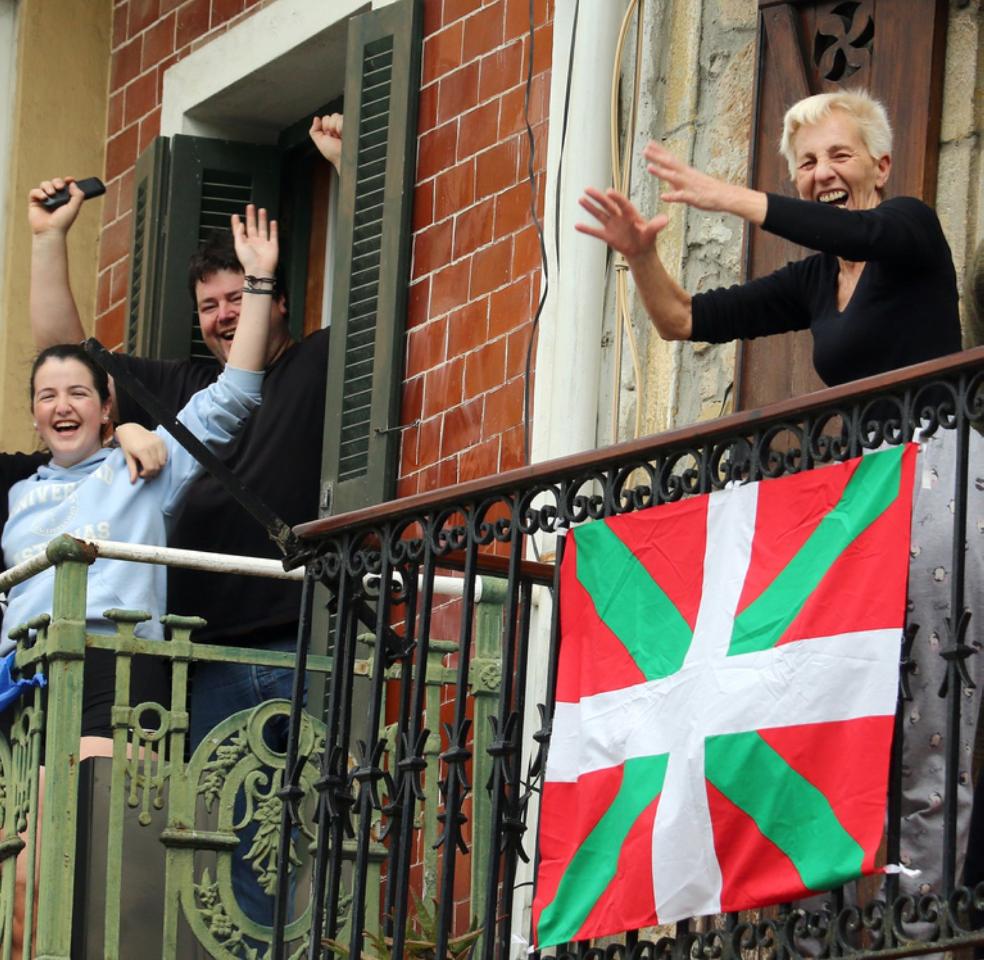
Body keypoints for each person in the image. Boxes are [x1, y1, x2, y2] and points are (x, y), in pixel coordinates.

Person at [578, 89, 981, 915]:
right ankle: (852, 894)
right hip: (866, 498)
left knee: (941, 685)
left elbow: (860, 232)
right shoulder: (811, 280)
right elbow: (684, 321)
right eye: (806, 161)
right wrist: (639, 256)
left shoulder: (911, 230)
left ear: (880, 164)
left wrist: (732, 198)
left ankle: (935, 898)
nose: (822, 173)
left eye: (839, 155)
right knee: (856, 688)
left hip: (943, 473)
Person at [27, 112, 343, 925]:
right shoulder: (181, 388)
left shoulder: (313, 362)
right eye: (210, 304)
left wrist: (347, 178)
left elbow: (372, 298)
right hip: (186, 662)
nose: (225, 315)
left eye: (240, 295)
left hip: (281, 641)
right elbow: (68, 363)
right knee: (195, 863)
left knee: (270, 848)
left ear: (276, 289)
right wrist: (48, 240)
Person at [6, 203, 277, 737]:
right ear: (34, 416)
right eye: (47, 396)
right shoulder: (17, 493)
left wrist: (260, 281)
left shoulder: (145, 464)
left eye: (78, 393)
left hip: (118, 658)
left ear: (108, 407)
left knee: (104, 811)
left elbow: (234, 395)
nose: (62, 406)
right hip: (24, 671)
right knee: (28, 819)